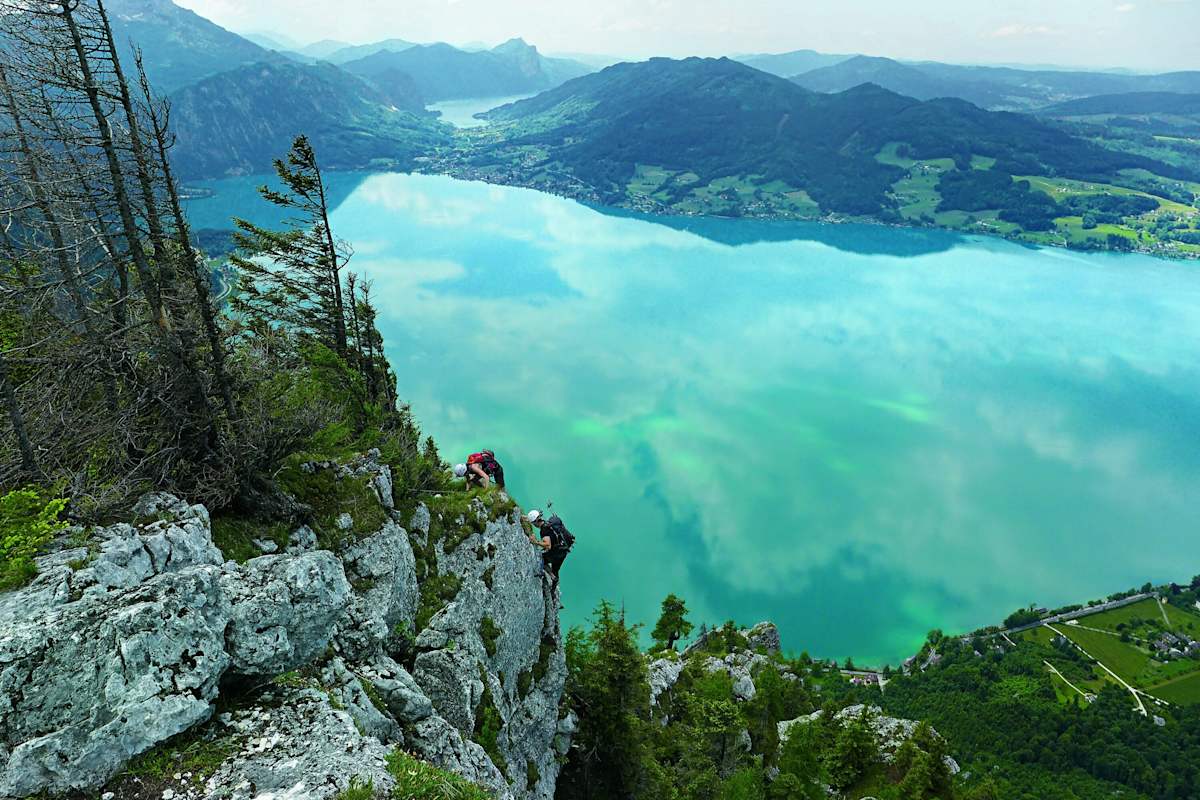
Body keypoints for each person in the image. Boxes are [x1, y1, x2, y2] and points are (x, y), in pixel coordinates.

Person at [526, 508, 574, 585]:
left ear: (535, 522)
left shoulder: (544, 530)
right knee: (555, 570)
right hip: (563, 550)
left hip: (556, 554)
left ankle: (550, 576)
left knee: (541, 558)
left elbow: (548, 546)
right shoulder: (548, 524)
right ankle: (554, 584)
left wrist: (536, 542)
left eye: (532, 523)